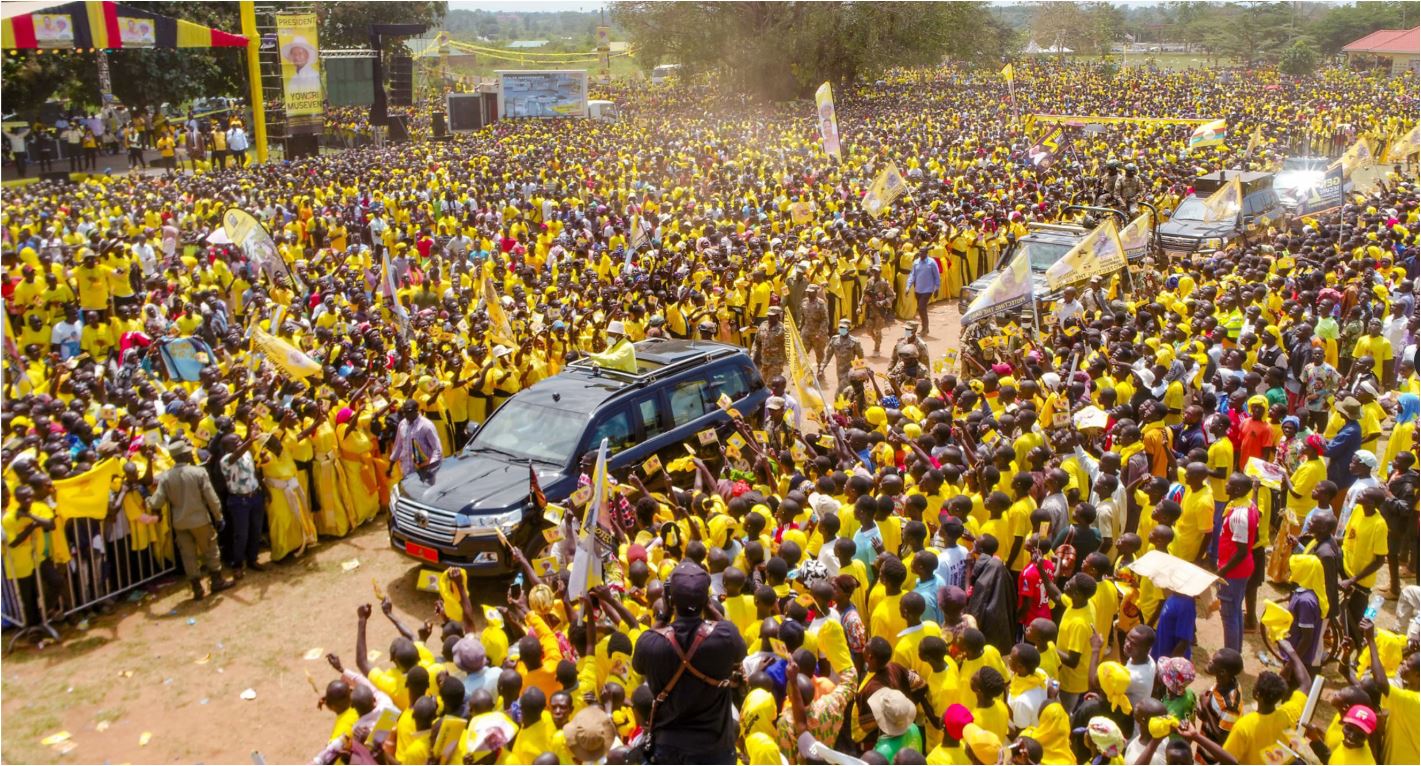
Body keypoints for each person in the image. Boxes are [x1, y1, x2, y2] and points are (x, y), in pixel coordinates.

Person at [632, 562, 746, 764]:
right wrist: (709, 606)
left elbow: (638, 664)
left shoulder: (650, 643)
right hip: (715, 750)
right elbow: (739, 649)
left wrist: (664, 614)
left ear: (670, 599)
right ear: (705, 600)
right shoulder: (725, 636)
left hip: (669, 752)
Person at [146, 440, 233, 601]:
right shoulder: (198, 472)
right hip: (200, 520)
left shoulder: (165, 477)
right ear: (185, 455)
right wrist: (219, 516)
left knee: (188, 555)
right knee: (210, 549)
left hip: (180, 523)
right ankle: (216, 581)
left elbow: (157, 502)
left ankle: (197, 588)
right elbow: (211, 498)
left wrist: (147, 501)